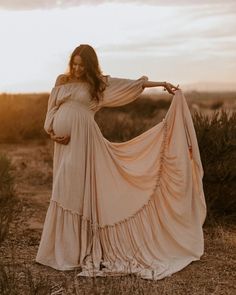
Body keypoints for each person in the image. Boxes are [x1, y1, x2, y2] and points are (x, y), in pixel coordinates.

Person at [36, 44, 206, 280]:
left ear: (89, 65)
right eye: (74, 63)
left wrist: (161, 84)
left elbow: (133, 84)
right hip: (64, 144)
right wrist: (52, 132)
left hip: (86, 142)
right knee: (64, 188)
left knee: (78, 191)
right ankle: (64, 251)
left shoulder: (98, 84)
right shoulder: (61, 80)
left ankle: (79, 250)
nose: (76, 68)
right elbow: (51, 110)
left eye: (81, 65)